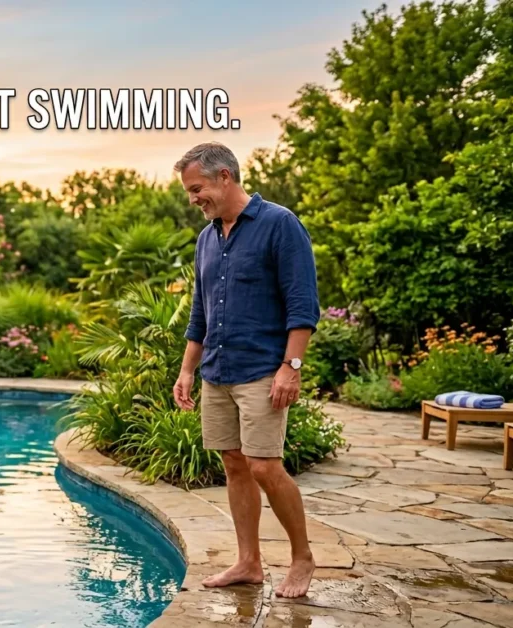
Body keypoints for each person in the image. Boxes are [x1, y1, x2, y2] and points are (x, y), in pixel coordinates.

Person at [171, 142, 320, 598]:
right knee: (234, 465)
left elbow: (302, 305)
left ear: (224, 178)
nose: (193, 198)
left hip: (261, 369)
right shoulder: (206, 238)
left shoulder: (279, 224)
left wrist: (290, 367)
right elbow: (200, 313)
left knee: (264, 466)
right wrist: (187, 371)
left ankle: (302, 559)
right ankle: (249, 563)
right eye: (189, 192)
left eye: (197, 189)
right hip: (217, 369)